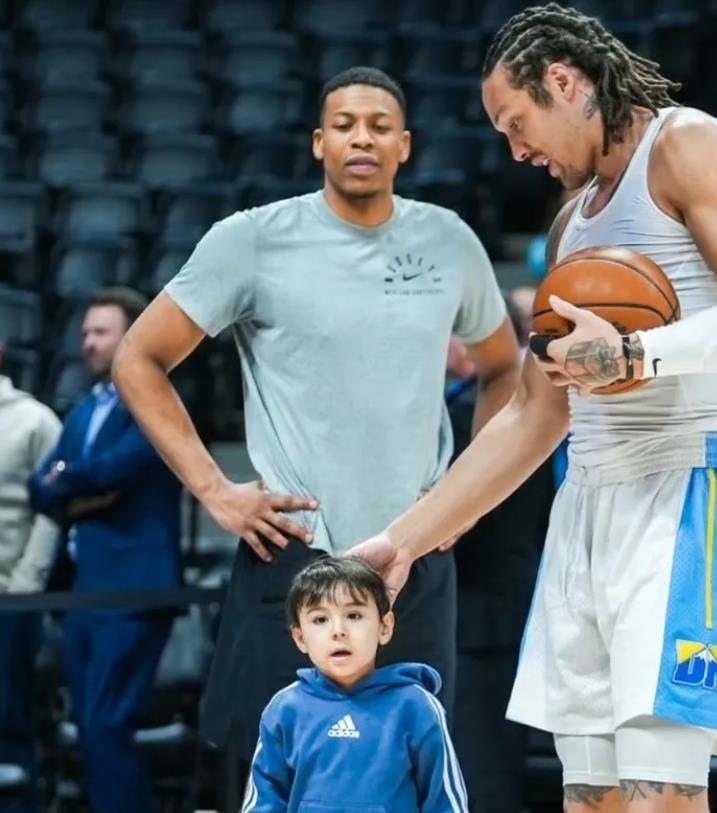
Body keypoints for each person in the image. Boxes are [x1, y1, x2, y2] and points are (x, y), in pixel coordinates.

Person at [351, 5, 717, 810]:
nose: (515, 150)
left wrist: (635, 353)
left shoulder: (690, 146)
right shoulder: (570, 224)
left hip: (686, 492)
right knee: (591, 796)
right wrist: (404, 540)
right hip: (585, 506)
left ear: (562, 82)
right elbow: (533, 416)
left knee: (661, 790)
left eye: (516, 124)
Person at [111, 66, 520, 803]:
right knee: (269, 779)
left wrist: (467, 495)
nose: (361, 138)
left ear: (404, 145)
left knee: (413, 783)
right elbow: (137, 358)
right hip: (293, 554)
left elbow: (503, 370)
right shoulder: (251, 240)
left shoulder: (448, 240)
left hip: (415, 559)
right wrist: (214, 490)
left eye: (378, 126)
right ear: (318, 142)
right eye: (344, 125)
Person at [28, 287, 182, 813]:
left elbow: (116, 470)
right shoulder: (84, 409)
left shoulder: (156, 399)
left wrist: (68, 480)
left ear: (133, 336)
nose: (88, 343)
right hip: (83, 592)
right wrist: (75, 484)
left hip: (134, 589)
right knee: (89, 726)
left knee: (106, 723)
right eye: (85, 333)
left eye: (101, 332)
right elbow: (40, 488)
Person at [243, 556, 467, 812]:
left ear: (384, 627)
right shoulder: (284, 708)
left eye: (353, 615)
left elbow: (445, 801)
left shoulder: (416, 706)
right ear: (300, 638)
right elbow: (264, 799)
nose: (338, 631)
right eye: (320, 619)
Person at [446, 298, 554, 812]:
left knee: (478, 774)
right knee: (492, 768)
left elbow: (452, 522)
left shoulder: (473, 417)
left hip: (478, 617)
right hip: (510, 610)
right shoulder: (530, 411)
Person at [0, 338, 61, 812]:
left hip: (10, 600)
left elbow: (53, 510)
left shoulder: (35, 420)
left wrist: (26, 582)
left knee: (9, 723)